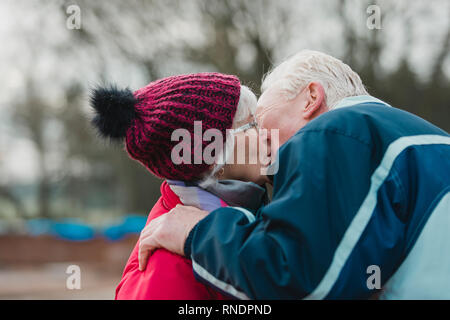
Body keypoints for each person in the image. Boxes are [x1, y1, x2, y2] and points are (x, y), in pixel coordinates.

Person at [137, 50, 450, 299]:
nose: (266, 147)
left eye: (264, 125)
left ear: (311, 98)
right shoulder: (425, 141)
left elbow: (293, 278)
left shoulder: (337, 131)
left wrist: (198, 232)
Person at [89, 73, 269, 299]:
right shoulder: (167, 266)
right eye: (253, 124)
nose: (267, 134)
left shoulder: (241, 219)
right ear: (214, 155)